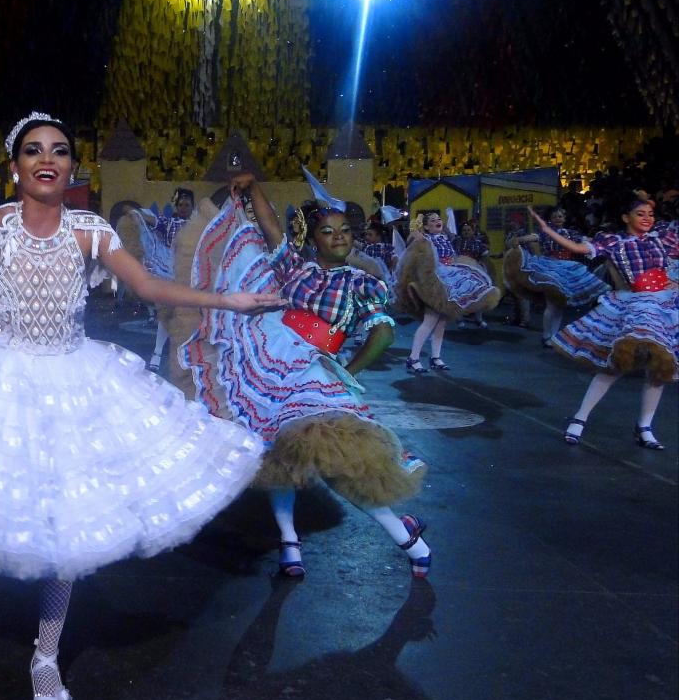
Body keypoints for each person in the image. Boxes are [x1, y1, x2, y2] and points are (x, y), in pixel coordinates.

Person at [0, 113, 280, 700]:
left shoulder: (90, 231)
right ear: (15, 165)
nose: (47, 159)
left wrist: (227, 299)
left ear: (72, 166)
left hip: (73, 383)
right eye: (32, 150)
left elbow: (148, 285)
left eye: (60, 150)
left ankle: (45, 658)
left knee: (63, 528)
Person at [179, 174, 430, 582]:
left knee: (340, 461)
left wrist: (346, 372)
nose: (339, 238)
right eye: (328, 232)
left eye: (345, 231)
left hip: (315, 368)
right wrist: (255, 189)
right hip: (268, 355)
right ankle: (289, 542)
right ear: (313, 238)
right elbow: (271, 228)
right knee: (280, 454)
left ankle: (408, 539)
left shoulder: (363, 283)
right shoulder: (296, 268)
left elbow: (383, 333)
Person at [531, 194, 677, 449]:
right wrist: (546, 230)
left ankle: (644, 426)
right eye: (640, 214)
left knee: (660, 367)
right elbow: (579, 249)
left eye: (650, 215)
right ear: (626, 217)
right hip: (633, 305)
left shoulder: (661, 238)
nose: (647, 219)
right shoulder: (614, 241)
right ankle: (580, 417)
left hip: (663, 305)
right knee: (615, 364)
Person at [395, 211, 501, 373]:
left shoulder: (445, 237)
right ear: (427, 226)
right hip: (435, 280)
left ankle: (435, 357)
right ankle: (413, 358)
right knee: (430, 320)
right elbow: (411, 240)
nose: (438, 221)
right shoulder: (425, 240)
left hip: (450, 275)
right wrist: (417, 229)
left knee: (442, 321)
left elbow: (456, 249)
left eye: (439, 219)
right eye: (433, 220)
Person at [503, 207, 608, 346]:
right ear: (550, 219)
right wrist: (520, 239)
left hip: (567, 268)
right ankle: (547, 336)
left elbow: (585, 240)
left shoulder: (570, 233)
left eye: (561, 216)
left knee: (559, 305)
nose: (558, 219)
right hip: (550, 268)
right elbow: (534, 237)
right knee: (552, 304)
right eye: (555, 216)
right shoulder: (546, 233)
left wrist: (603, 240)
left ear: (564, 218)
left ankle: (553, 335)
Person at [131, 189, 195, 371]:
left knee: (188, 317)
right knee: (166, 314)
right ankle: (158, 353)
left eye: (187, 205)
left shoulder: (198, 226)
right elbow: (150, 220)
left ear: (192, 206)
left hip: (191, 276)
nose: (183, 208)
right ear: (176, 206)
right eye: (181, 204)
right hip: (170, 273)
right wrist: (134, 212)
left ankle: (186, 357)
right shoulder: (169, 223)